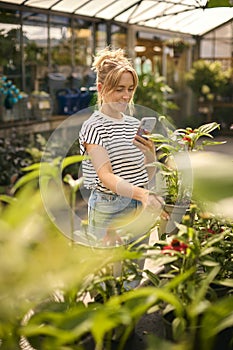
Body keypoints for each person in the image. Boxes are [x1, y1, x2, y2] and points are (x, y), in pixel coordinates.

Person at [79, 47, 167, 248]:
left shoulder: (132, 124)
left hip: (139, 207)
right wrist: (143, 195)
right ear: (101, 89)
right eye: (119, 89)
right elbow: (106, 177)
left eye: (130, 89)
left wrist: (149, 154)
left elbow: (146, 174)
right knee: (111, 277)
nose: (126, 96)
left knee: (135, 275)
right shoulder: (93, 126)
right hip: (109, 210)